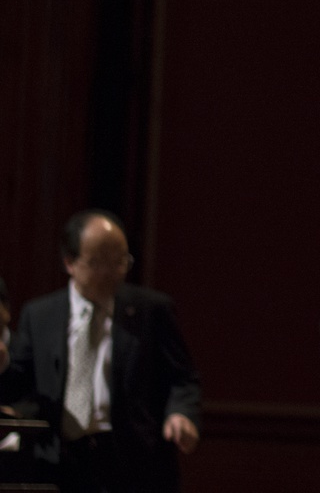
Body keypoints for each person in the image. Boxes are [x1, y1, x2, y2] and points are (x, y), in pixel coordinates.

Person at [0, 211, 201, 493]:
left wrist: (181, 413)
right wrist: (3, 362)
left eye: (120, 261)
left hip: (132, 460)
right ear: (69, 262)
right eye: (98, 263)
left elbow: (182, 377)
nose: (111, 272)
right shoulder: (40, 315)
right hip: (62, 461)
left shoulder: (151, 311)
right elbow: (18, 384)